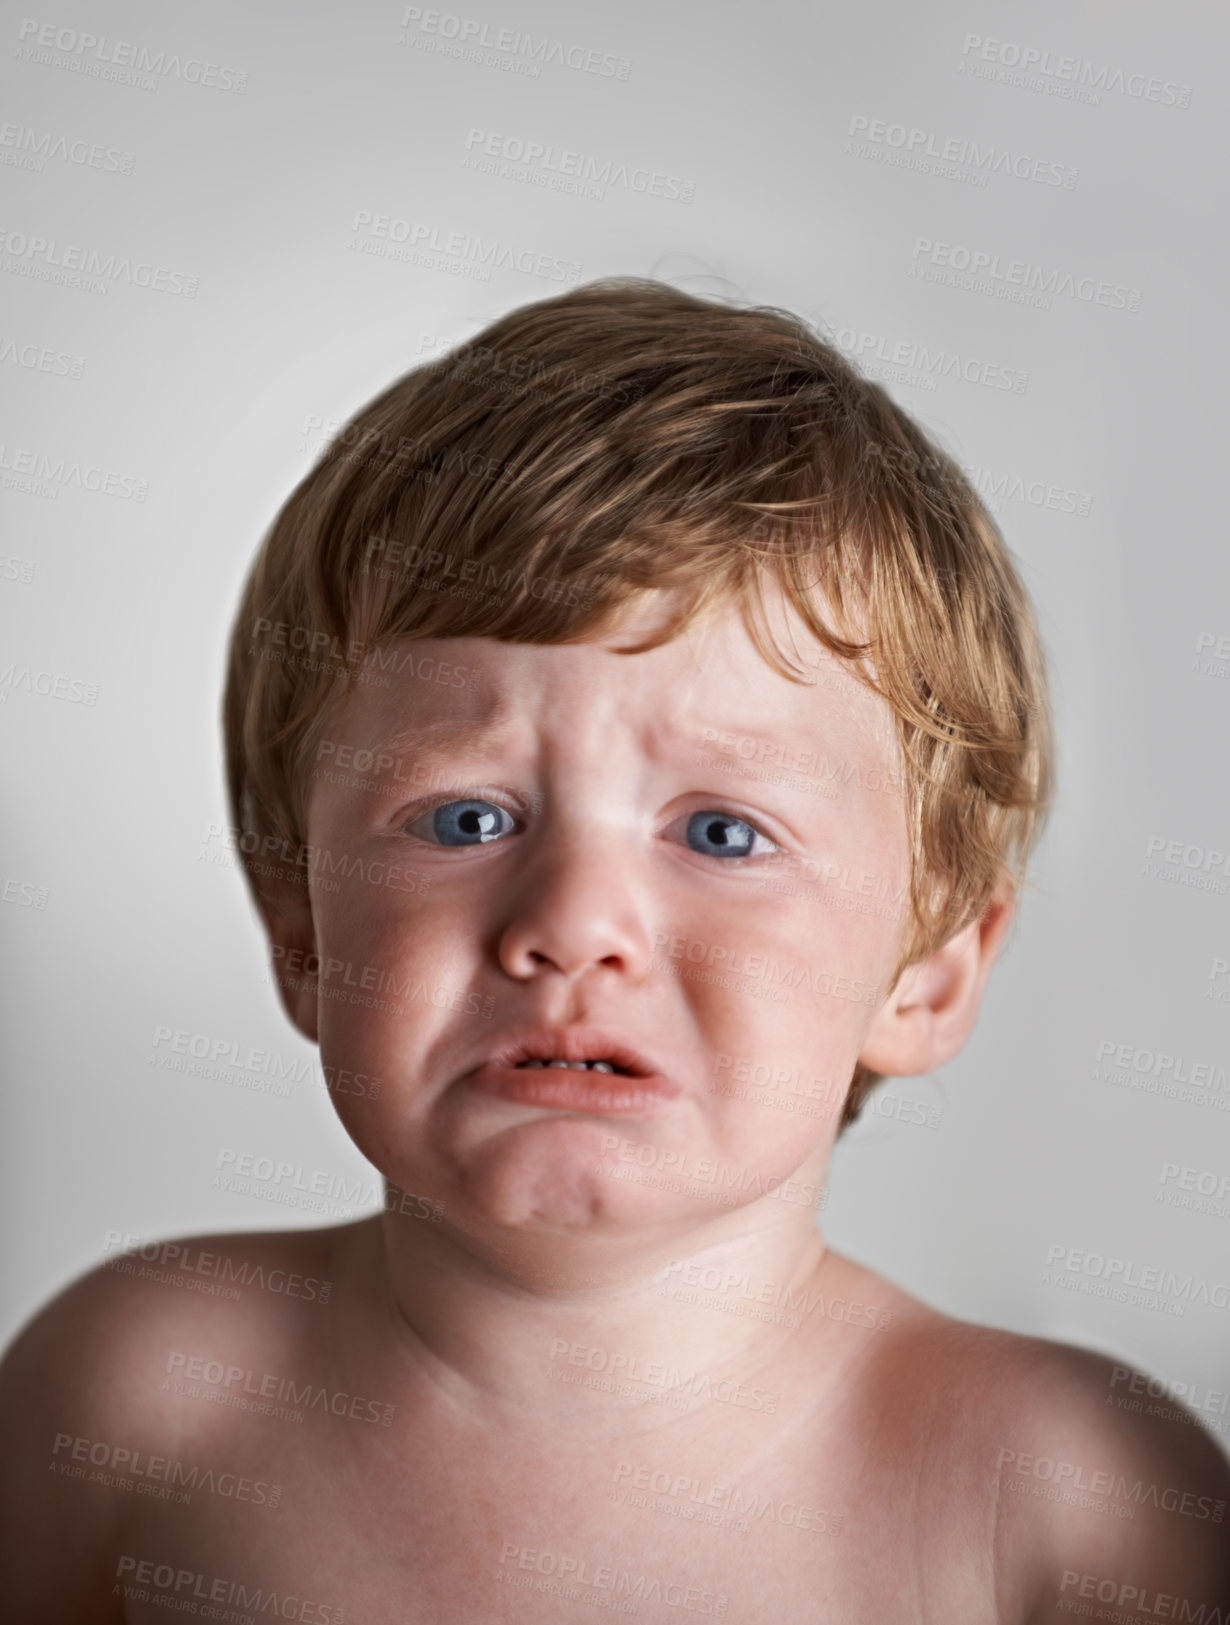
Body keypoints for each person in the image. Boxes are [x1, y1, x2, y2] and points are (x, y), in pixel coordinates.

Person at [3, 278, 1227, 1620]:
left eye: (720, 830)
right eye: (465, 815)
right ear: (299, 928)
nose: (572, 923)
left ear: (926, 970)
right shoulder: (135, 1397)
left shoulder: (1062, 1501)